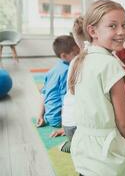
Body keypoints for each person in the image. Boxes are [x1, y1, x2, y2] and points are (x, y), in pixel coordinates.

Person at [69, 0, 125, 175]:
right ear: (92, 31)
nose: (121, 32)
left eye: (123, 25)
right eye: (113, 26)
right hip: (107, 158)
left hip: (82, 152)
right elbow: (124, 124)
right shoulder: (110, 64)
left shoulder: (76, 61)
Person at [51, 16, 87, 153]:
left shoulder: (74, 62)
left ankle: (74, 142)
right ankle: (73, 145)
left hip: (68, 125)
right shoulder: (82, 61)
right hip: (76, 127)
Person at [36, 35, 79, 128]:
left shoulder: (52, 70)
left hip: (48, 116)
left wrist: (40, 115)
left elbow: (44, 94)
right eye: (76, 54)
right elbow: (66, 99)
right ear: (64, 56)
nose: (79, 56)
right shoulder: (68, 71)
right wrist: (65, 125)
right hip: (59, 119)